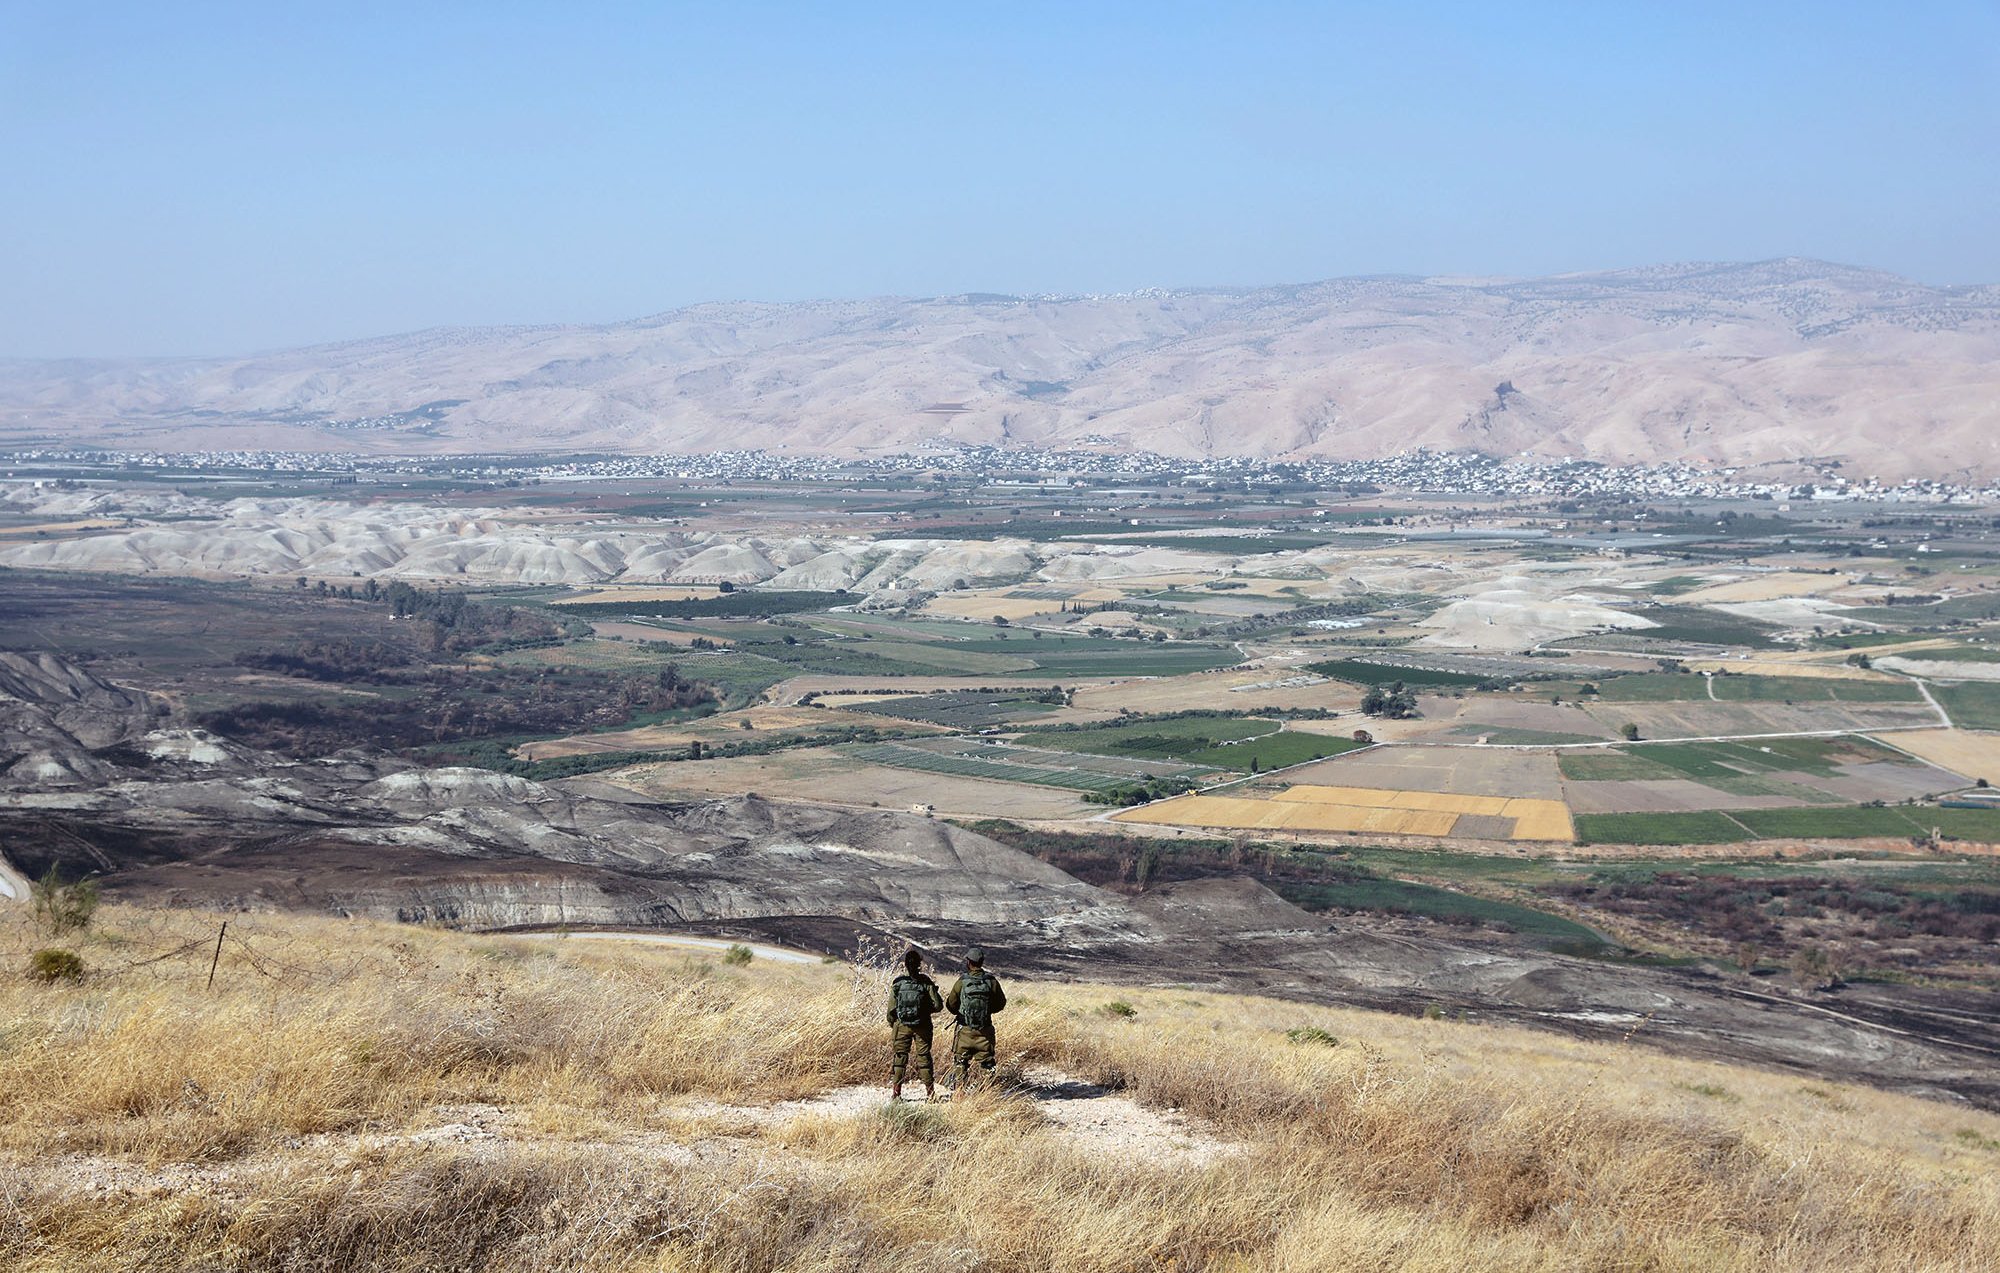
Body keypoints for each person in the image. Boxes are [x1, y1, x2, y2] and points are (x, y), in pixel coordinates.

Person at [945, 946, 1007, 1097]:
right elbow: (1001, 1004)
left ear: (968, 962)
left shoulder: (962, 982)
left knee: (960, 1063)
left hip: (964, 1030)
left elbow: (950, 1004)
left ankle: (959, 1094)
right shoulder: (991, 982)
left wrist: (963, 1014)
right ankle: (987, 1095)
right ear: (982, 962)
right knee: (987, 1064)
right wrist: (985, 1012)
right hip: (985, 1031)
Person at [886, 948, 945, 1102]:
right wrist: (925, 1011)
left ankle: (896, 1094)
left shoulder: (898, 983)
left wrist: (895, 1024)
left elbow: (891, 1009)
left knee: (900, 1059)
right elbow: (938, 1005)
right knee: (924, 1058)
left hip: (901, 1025)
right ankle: (930, 1094)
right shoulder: (925, 982)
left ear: (905, 964)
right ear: (919, 964)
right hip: (923, 1026)